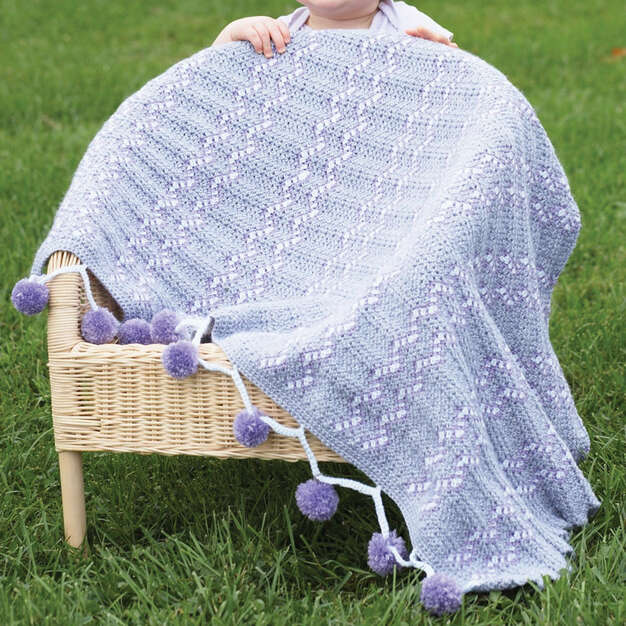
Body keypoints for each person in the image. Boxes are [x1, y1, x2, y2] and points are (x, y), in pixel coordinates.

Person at [211, 0, 456, 58]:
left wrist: (442, 57)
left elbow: (462, 81)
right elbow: (209, 77)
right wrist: (232, 33)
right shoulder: (278, 32)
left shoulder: (407, 24)